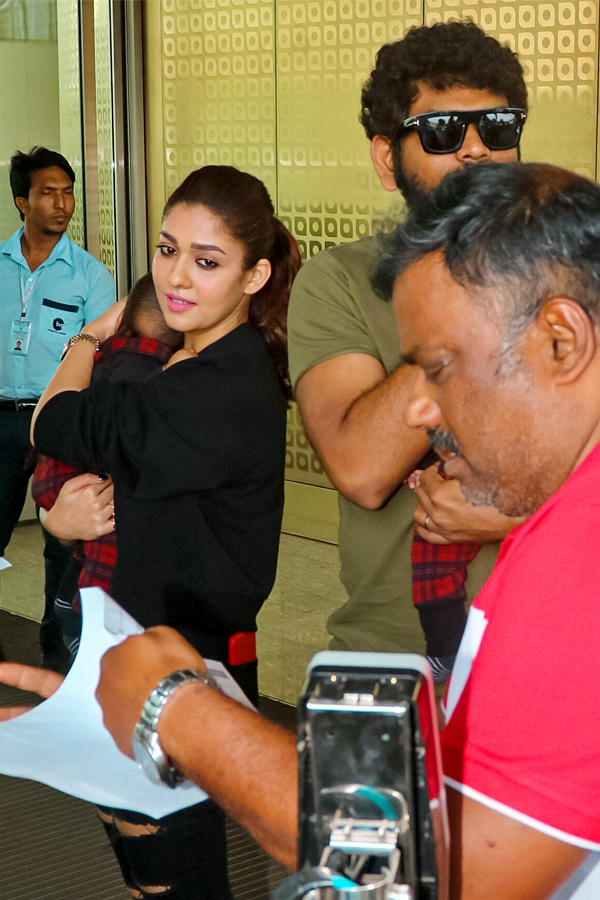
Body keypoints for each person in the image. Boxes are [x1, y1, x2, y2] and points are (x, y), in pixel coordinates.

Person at [3, 162, 600, 897]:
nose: (417, 413)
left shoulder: (583, 561)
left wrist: (176, 710)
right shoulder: (565, 520)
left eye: (439, 369)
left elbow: (457, 870)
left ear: (562, 342)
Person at [29, 165, 301, 900]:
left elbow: (49, 421)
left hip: (184, 674)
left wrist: (91, 334)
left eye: (207, 262)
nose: (177, 277)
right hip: (143, 655)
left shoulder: (212, 386)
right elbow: (100, 488)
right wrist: (59, 522)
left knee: (173, 876)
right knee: (144, 865)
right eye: (167, 249)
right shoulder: (184, 366)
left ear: (255, 275)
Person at [288, 20, 526, 677]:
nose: (475, 152)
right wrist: (468, 283)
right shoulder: (339, 282)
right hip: (397, 654)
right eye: (446, 132)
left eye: (497, 128)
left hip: (551, 640)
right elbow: (363, 470)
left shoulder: (572, 274)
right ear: (387, 159)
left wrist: (515, 521)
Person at [0, 146, 114, 670]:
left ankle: (57, 645)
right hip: (2, 417)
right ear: (22, 201)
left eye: (68, 192)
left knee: (61, 542)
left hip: (60, 427)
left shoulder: (91, 276)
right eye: (49, 193)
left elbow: (103, 360)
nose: (62, 203)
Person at [32, 273, 183, 659]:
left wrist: (90, 336)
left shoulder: (101, 362)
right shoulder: (162, 379)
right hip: (115, 580)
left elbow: (45, 428)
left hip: (81, 540)